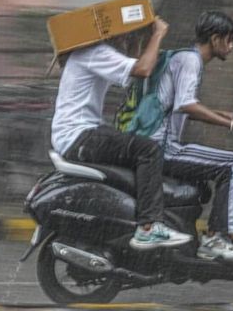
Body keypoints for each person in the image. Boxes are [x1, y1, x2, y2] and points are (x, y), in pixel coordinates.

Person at [50, 16, 192, 250]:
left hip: (77, 135)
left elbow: (135, 64)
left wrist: (135, 39)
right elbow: (143, 69)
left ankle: (135, 219)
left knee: (136, 146)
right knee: (148, 150)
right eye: (123, 34)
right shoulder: (96, 52)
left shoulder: (89, 53)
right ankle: (148, 227)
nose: (126, 38)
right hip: (80, 136)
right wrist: (157, 35)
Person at [148, 11, 233, 261]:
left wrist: (231, 118)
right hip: (163, 147)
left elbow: (186, 106)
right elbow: (187, 105)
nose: (232, 46)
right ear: (215, 39)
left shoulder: (184, 58)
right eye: (229, 40)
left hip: (156, 144)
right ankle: (217, 238)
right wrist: (230, 125)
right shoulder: (190, 61)